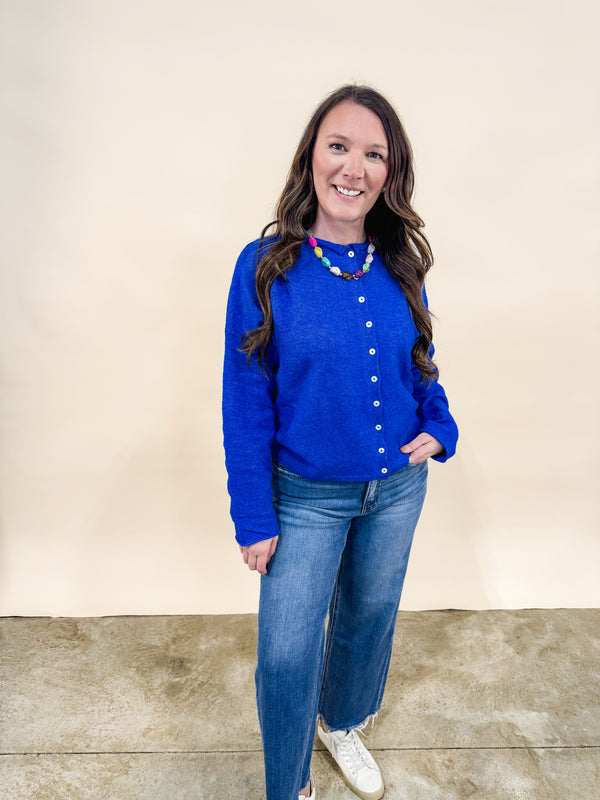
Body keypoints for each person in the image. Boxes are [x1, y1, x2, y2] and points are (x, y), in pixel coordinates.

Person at [222, 85, 458, 800]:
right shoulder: (266, 266)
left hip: (396, 490)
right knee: (287, 655)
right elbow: (244, 400)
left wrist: (440, 425)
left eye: (373, 153)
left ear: (390, 173)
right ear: (312, 158)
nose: (354, 167)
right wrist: (254, 515)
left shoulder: (399, 265)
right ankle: (289, 786)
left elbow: (420, 365)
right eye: (339, 146)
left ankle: (342, 722)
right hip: (305, 499)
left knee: (368, 618)